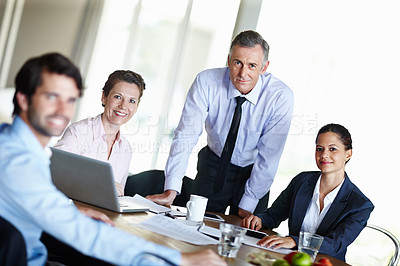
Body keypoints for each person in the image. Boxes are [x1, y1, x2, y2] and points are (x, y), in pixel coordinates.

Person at [0, 52, 226, 266]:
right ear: (23, 99)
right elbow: (86, 235)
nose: (62, 109)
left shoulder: (18, 147)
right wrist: (180, 259)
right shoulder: (17, 161)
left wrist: (68, 209)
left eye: (70, 100)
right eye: (52, 96)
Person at [147, 30, 294, 218]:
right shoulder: (206, 81)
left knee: (245, 239)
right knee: (195, 226)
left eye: (252, 66)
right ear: (228, 60)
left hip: (254, 172)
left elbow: (269, 156)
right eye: (238, 63)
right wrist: (172, 189)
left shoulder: (280, 97)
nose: (243, 73)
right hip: (213, 164)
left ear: (264, 68)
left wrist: (249, 201)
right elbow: (186, 135)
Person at [240, 123, 374, 261]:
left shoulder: (360, 205)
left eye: (332, 149)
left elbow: (335, 244)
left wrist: (295, 241)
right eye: (319, 149)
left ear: (348, 154)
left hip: (326, 263)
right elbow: (274, 215)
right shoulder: (302, 181)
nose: (324, 155)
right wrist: (260, 219)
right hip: (290, 259)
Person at [54, 70, 144, 196]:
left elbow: (116, 195)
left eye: (132, 101)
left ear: (137, 107)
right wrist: (100, 183)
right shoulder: (79, 132)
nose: (123, 106)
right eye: (118, 97)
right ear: (104, 97)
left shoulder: (126, 148)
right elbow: (54, 169)